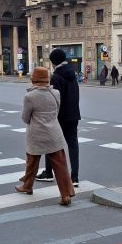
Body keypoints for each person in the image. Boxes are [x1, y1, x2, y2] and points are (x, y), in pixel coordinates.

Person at [15, 67, 74, 206]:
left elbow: (25, 118)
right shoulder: (56, 93)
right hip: (54, 133)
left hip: (36, 134)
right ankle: (65, 195)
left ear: (33, 79)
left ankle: (27, 186)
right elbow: (56, 112)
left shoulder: (30, 96)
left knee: (32, 162)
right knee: (61, 166)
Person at [35, 48, 80, 186]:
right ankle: (75, 177)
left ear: (53, 62)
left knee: (51, 143)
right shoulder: (72, 74)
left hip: (60, 117)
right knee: (73, 145)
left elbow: (55, 99)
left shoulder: (57, 76)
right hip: (74, 114)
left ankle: (49, 173)